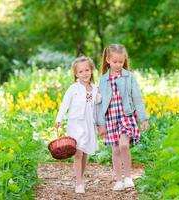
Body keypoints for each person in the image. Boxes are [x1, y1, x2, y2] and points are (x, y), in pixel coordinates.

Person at [96, 44, 149, 191]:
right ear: (108, 60)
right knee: (115, 150)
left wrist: (143, 118)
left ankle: (128, 177)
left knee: (124, 145)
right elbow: (99, 103)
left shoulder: (129, 77)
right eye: (115, 62)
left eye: (121, 61)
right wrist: (100, 124)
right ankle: (119, 180)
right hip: (111, 118)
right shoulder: (103, 80)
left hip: (126, 116)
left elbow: (137, 97)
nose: (118, 65)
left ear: (124, 60)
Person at [55, 56, 99, 194]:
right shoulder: (73, 88)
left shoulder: (95, 89)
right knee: (78, 151)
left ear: (91, 71)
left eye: (87, 70)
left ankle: (80, 177)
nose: (84, 73)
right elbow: (64, 104)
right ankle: (79, 183)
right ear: (76, 74)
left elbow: (98, 107)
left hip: (89, 123)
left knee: (85, 152)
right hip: (75, 123)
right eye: (81, 71)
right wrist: (59, 118)